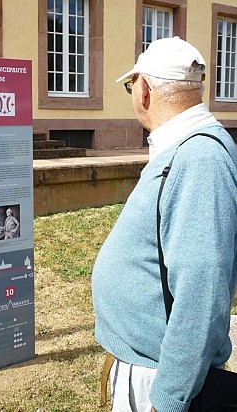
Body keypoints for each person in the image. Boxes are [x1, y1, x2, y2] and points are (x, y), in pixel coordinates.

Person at [92, 37, 237, 412]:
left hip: (156, 376)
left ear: (142, 90)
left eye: (130, 86)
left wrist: (170, 397)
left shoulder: (199, 158)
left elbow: (201, 291)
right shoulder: (185, 149)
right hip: (149, 366)